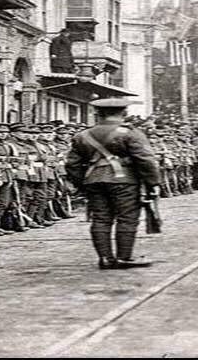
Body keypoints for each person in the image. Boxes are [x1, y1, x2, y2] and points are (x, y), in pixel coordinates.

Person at [65, 98, 161, 269]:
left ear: (98, 113)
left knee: (100, 218)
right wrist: (153, 182)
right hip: (125, 181)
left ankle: (105, 258)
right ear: (124, 113)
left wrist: (82, 184)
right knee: (127, 217)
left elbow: (72, 164)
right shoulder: (131, 133)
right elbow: (145, 160)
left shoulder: (83, 135)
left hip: (94, 180)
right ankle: (123, 257)